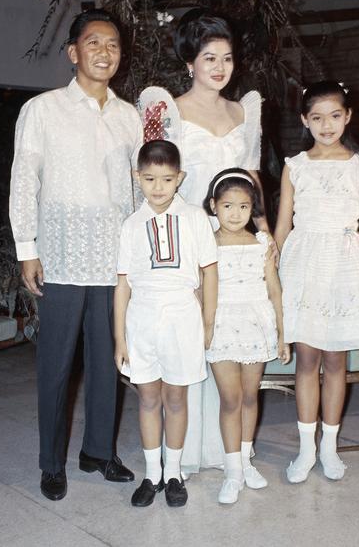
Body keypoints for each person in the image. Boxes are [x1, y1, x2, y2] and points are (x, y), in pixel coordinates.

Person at [9, 9, 140, 501]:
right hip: (61, 254)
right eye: (94, 43)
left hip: (115, 257)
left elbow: (138, 188)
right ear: (73, 52)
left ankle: (98, 452)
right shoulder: (42, 110)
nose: (104, 52)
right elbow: (25, 180)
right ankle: (51, 463)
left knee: (108, 359)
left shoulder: (129, 117)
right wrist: (28, 248)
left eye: (113, 44)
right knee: (57, 363)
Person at [137, 10, 272, 475]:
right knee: (191, 340)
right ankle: (184, 454)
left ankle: (232, 453)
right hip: (185, 243)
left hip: (233, 244)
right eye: (208, 57)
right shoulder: (166, 110)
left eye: (227, 58)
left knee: (229, 335)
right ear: (189, 61)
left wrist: (264, 232)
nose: (219, 67)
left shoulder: (243, 112)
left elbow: (251, 180)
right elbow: (152, 178)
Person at [274, 80, 359, 484]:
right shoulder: (295, 166)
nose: (327, 125)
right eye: (317, 117)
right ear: (305, 120)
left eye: (335, 116)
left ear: (348, 117)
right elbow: (283, 227)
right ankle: (305, 450)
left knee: (336, 359)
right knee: (306, 358)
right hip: (303, 266)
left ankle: (329, 448)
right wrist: (269, 277)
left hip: (345, 268)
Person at [114, 140, 218, 508]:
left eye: (167, 179)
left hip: (182, 317)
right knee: (147, 398)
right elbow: (123, 283)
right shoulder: (131, 225)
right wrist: (119, 337)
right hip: (142, 318)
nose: (158, 187)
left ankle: (173, 473)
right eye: (150, 179)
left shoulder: (195, 218)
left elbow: (209, 271)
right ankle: (151, 474)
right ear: (136, 177)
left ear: (180, 178)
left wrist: (207, 322)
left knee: (176, 398)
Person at [204, 168, 290, 504]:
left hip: (257, 323)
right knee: (230, 399)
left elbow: (275, 289)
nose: (235, 213)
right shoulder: (207, 243)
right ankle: (232, 471)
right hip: (222, 324)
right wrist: (204, 327)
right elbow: (200, 290)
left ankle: (245, 459)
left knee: (251, 396)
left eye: (243, 206)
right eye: (227, 206)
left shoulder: (262, 242)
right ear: (214, 206)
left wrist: (283, 333)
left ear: (252, 207)